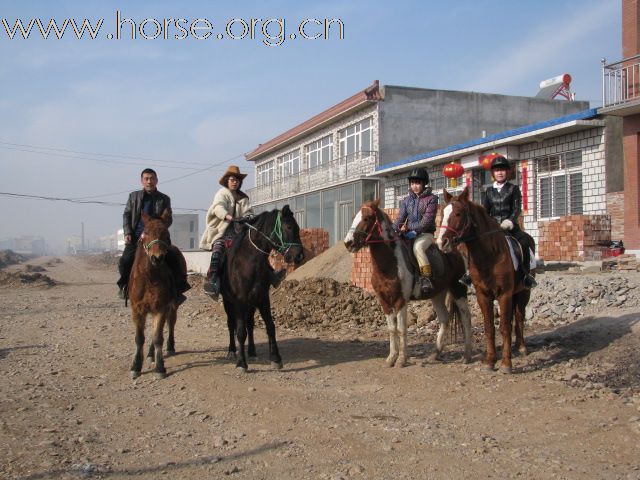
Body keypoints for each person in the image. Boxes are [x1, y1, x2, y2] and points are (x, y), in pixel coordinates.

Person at [200, 165, 286, 299]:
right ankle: (212, 281)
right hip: (221, 234)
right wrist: (230, 217)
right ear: (227, 181)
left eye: (237, 180)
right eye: (232, 179)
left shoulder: (243, 198)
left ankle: (271, 275)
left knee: (256, 250)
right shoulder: (221, 194)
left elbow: (249, 212)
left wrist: (248, 218)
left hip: (239, 234)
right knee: (218, 251)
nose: (235, 182)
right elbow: (218, 208)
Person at [117, 168, 191, 303]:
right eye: (146, 179)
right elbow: (127, 215)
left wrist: (158, 230)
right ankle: (124, 287)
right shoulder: (133, 197)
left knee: (174, 259)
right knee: (125, 261)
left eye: (152, 178)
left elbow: (168, 219)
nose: (149, 181)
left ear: (156, 180)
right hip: (136, 238)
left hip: (158, 239)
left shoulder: (164, 199)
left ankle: (178, 290)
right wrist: (128, 232)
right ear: (142, 181)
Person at [474, 155, 537, 289]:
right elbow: (485, 211)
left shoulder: (513, 189)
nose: (500, 172)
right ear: (493, 173)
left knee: (524, 242)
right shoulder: (488, 191)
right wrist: (488, 224)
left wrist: (510, 220)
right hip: (493, 228)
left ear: (507, 172)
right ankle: (471, 274)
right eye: (497, 170)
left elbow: (516, 208)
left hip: (510, 226)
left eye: (503, 170)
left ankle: (526, 275)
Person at [392, 167, 439, 295]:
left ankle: (426, 278)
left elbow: (427, 221)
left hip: (426, 234)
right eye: (412, 183)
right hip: (409, 234)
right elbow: (400, 218)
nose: (415, 186)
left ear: (424, 183)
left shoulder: (432, 199)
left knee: (418, 247)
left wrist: (412, 231)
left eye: (417, 183)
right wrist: (392, 230)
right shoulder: (406, 201)